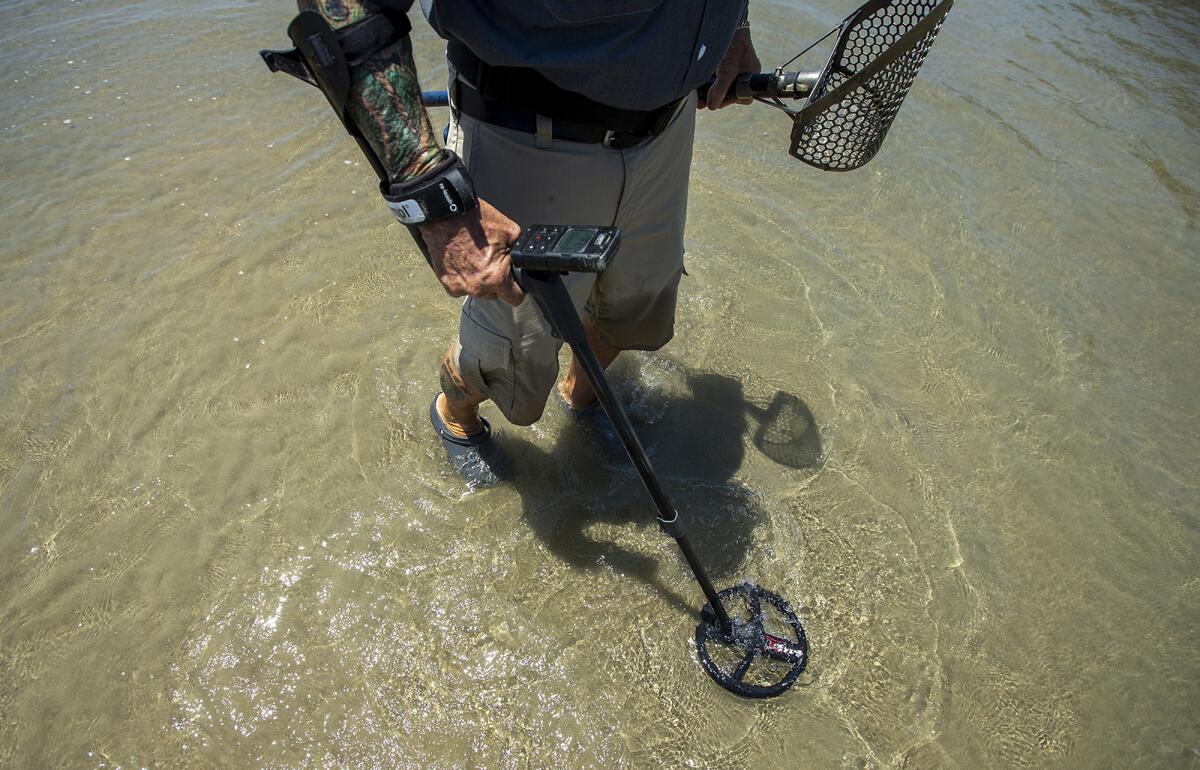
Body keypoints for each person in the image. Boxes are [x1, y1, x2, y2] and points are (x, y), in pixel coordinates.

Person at [292, 0, 759, 484]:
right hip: (525, 125)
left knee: (637, 305)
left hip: (669, 123)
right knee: (511, 362)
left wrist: (733, 26)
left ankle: (581, 396)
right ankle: (456, 415)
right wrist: (430, 194)